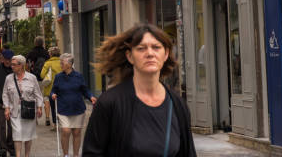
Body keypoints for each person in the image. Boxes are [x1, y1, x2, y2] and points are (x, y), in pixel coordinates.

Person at [82, 24, 196, 157]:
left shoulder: (177, 105)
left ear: (165, 54)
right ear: (130, 56)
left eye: (156, 47)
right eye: (141, 48)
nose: (149, 53)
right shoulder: (110, 103)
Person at [50, 53, 96, 157]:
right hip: (63, 109)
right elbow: (53, 90)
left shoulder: (78, 76)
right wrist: (53, 95)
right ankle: (66, 155)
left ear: (70, 64)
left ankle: (75, 155)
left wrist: (91, 97)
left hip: (77, 109)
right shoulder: (58, 77)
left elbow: (85, 90)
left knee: (77, 133)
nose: (60, 64)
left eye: (63, 62)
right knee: (65, 131)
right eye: (61, 62)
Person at [2, 55, 43, 157]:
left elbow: (38, 94)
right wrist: (6, 108)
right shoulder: (9, 78)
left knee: (28, 135)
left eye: (14, 65)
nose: (12, 66)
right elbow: (5, 94)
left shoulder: (32, 78)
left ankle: (27, 155)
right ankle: (18, 155)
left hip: (28, 110)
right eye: (11, 64)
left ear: (22, 65)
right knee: (17, 133)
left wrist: (39, 108)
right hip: (14, 110)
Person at [41, 46, 62, 128]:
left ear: (50, 54)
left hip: (50, 88)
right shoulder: (62, 62)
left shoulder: (47, 63)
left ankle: (55, 124)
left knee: (53, 107)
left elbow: (42, 75)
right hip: (61, 88)